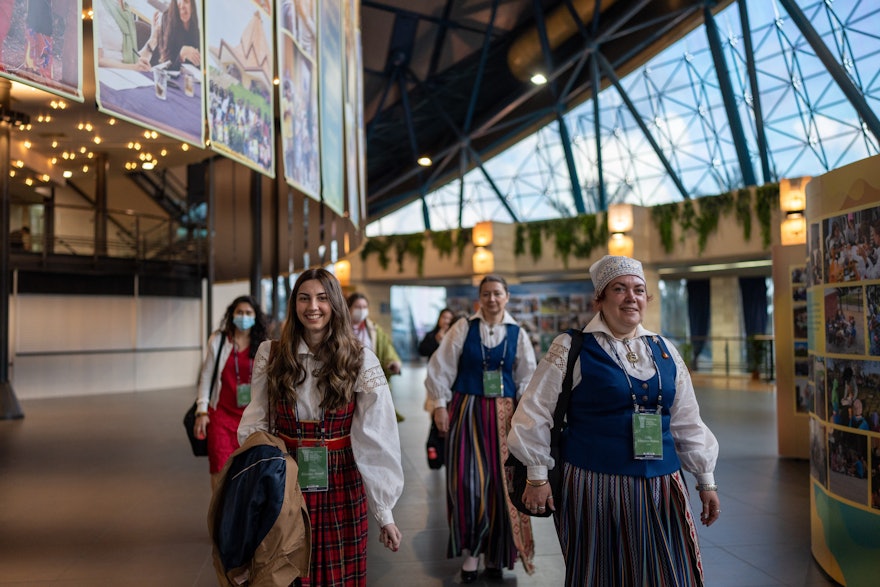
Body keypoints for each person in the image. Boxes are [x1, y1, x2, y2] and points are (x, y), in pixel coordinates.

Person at [508, 255, 720, 586]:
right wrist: (537, 476)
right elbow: (535, 410)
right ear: (600, 298)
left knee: (670, 574)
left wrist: (705, 479)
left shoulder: (664, 349)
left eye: (638, 290)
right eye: (619, 289)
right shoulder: (572, 347)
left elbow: (687, 419)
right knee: (602, 572)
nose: (630, 297)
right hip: (596, 485)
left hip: (663, 484)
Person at [238, 268, 403, 586]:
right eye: (304, 298)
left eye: (322, 298)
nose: (312, 306)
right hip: (286, 477)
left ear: (336, 304)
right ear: (294, 305)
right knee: (286, 568)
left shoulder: (360, 358)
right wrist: (255, 480)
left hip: (342, 478)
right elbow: (256, 421)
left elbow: (377, 436)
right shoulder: (270, 354)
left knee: (338, 572)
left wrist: (385, 514)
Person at [426, 274, 537, 583]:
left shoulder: (518, 333)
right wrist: (438, 404)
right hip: (467, 410)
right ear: (480, 298)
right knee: (467, 483)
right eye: (486, 294)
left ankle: (496, 555)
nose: (491, 299)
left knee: (501, 487)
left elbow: (527, 376)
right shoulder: (464, 328)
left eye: (497, 293)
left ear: (507, 297)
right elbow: (441, 367)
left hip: (504, 416)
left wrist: (525, 413)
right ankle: (472, 551)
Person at [193, 295, 269, 490]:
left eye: (248, 313)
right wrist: (201, 411)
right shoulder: (219, 340)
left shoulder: (263, 344)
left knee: (248, 471)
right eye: (240, 312)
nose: (244, 316)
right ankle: (220, 518)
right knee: (219, 470)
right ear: (232, 315)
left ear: (255, 317)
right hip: (221, 416)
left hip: (251, 419)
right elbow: (206, 375)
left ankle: (240, 517)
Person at [346, 292, 405, 421]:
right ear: (348, 308)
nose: (361, 310)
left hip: (369, 380)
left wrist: (392, 362)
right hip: (346, 379)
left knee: (369, 416)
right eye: (357, 307)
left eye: (364, 307)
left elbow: (386, 348)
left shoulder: (373, 329)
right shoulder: (341, 329)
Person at [138, 0, 201, 72]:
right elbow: (165, 62)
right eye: (179, 7)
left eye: (186, 1)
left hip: (187, 77)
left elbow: (198, 64)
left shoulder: (196, 29)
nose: (182, 11)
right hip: (165, 74)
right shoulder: (167, 18)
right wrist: (181, 55)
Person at [96, 0, 151, 71]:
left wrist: (154, 37)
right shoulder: (96, 6)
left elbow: (130, 55)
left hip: (126, 72)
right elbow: (97, 60)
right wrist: (134, 67)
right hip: (105, 73)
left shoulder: (126, 9)